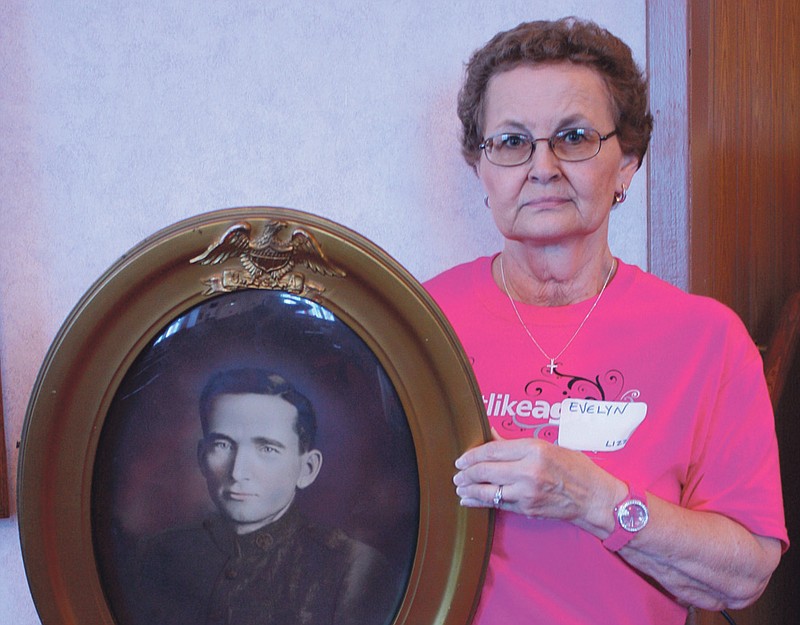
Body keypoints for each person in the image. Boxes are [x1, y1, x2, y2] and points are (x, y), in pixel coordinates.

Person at [424, 17, 789, 625]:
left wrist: (597, 501)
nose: (541, 167)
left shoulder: (706, 340)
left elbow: (746, 574)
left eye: (573, 137)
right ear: (480, 169)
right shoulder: (419, 324)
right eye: (511, 142)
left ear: (627, 164)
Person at [134, 367, 396, 625]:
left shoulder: (352, 569)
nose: (238, 472)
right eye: (223, 445)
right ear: (202, 457)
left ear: (307, 469)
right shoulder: (154, 555)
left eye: (267, 449)